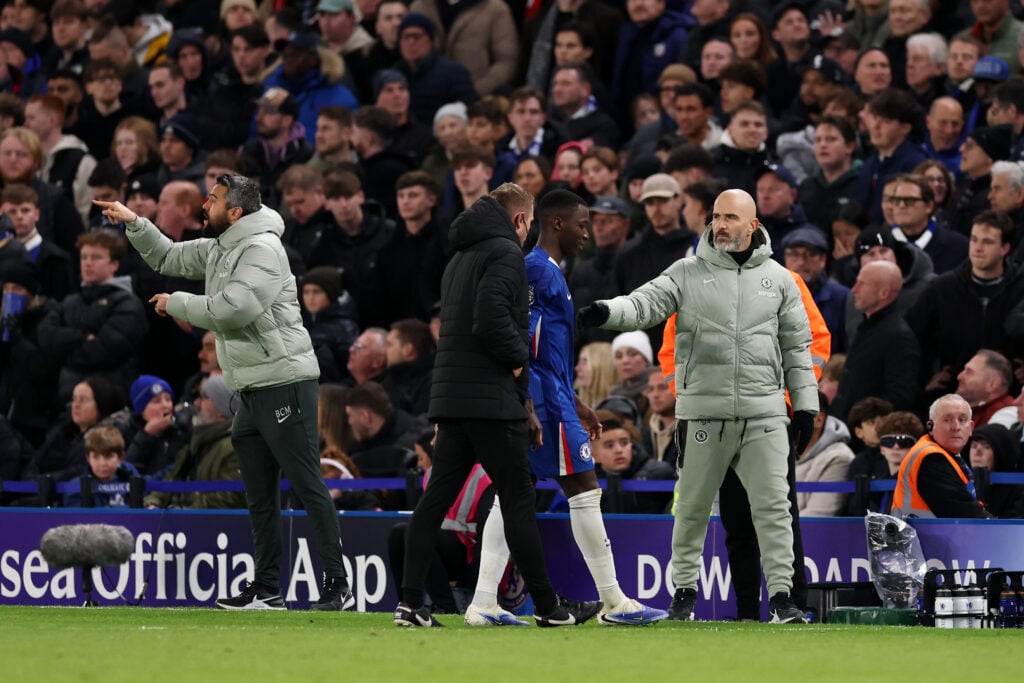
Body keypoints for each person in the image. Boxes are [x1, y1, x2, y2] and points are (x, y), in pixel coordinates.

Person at [95, 173, 353, 612]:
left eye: (212, 201)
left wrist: (176, 303)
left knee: (307, 482)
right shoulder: (222, 246)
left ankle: (338, 584)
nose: (203, 206)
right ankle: (268, 588)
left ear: (235, 211)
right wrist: (134, 221)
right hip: (250, 387)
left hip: (285, 382)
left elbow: (236, 309)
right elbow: (169, 256)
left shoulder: (262, 250)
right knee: (259, 493)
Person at [578, 188, 818, 624]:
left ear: (754, 226)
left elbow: (798, 350)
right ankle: (684, 594)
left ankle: (784, 599)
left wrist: (805, 409)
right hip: (703, 414)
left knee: (774, 512)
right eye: (715, 216)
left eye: (730, 217)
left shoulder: (781, 280)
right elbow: (643, 304)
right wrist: (606, 312)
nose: (720, 224)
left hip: (764, 415)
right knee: (690, 510)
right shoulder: (686, 272)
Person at [396, 183, 601, 628]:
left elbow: (458, 329)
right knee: (518, 500)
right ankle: (549, 608)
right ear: (521, 221)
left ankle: (411, 604)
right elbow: (491, 321)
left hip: (450, 398)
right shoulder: (506, 254)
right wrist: (517, 361)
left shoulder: (459, 258)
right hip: (490, 400)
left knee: (434, 502)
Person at [464, 190, 666, 627]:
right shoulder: (537, 270)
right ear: (556, 223)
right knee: (584, 489)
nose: (586, 233)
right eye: (582, 224)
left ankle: (482, 601)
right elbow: (523, 344)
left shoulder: (545, 270)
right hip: (544, 403)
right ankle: (614, 602)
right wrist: (536, 402)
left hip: (551, 398)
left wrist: (577, 402)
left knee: (511, 494)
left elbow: (544, 351)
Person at [830, 260, 920, 421]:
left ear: (883, 293)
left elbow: (900, 397)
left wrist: (862, 421)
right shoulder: (867, 326)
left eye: (862, 284)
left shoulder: (898, 337)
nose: (854, 289)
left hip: (866, 435)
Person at [143, 374, 247, 510]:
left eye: (204, 397)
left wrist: (185, 513)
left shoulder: (237, 447)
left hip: (213, 527)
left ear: (221, 412)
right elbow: (171, 482)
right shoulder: (198, 441)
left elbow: (230, 497)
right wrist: (152, 503)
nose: (197, 403)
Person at [892, 394, 992, 519]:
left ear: (971, 427)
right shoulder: (930, 458)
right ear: (930, 427)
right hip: (923, 536)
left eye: (962, 420)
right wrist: (995, 527)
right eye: (947, 420)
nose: (956, 427)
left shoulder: (948, 456)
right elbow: (962, 510)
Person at [62, 425, 139, 508]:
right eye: (95, 457)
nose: (102, 463)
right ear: (88, 458)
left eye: (108, 456)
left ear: (121, 457)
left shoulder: (132, 478)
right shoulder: (75, 488)